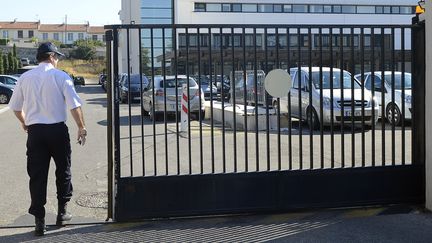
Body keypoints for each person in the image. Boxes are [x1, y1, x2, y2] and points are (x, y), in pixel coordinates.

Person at [8, 42, 87, 236]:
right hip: (58, 131)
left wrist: (25, 123)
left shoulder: (24, 78)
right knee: (63, 170)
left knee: (37, 175)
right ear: (51, 56)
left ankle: (39, 221)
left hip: (36, 133)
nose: (58, 60)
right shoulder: (61, 77)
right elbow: (74, 105)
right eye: (57, 57)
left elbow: (16, 107)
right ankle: (62, 213)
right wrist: (81, 127)